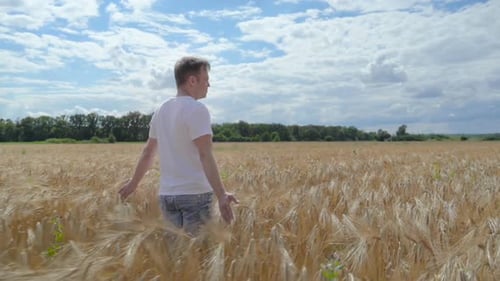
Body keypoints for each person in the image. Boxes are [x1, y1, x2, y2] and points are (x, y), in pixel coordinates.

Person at [118, 56, 238, 235]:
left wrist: (133, 184)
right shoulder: (197, 110)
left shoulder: (161, 110)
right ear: (192, 80)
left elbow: (148, 152)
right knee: (197, 256)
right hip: (195, 194)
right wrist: (221, 194)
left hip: (167, 197)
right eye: (205, 79)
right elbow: (205, 154)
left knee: (176, 256)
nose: (208, 85)